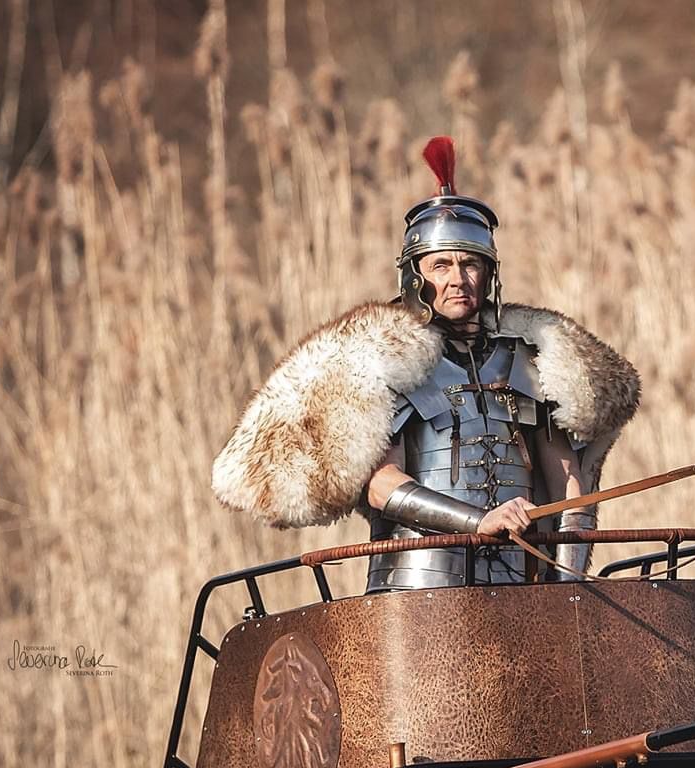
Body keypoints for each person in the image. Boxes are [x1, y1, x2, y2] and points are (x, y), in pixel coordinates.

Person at [211, 137, 639, 587]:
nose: (458, 279)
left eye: (471, 264)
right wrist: (479, 523)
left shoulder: (529, 360)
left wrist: (568, 586)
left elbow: (567, 479)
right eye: (441, 266)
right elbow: (381, 484)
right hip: (418, 592)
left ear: (489, 275)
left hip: (522, 587)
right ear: (416, 277)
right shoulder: (388, 364)